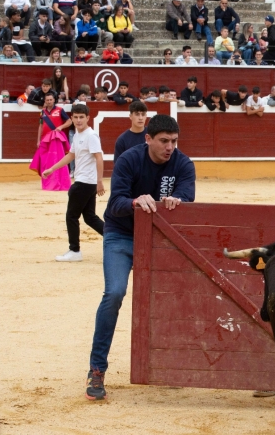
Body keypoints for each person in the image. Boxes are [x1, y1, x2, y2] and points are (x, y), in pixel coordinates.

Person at [84, 115, 196, 401]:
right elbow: (116, 203)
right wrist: (135, 201)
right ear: (148, 139)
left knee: (174, 295)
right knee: (115, 292)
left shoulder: (183, 163)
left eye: (174, 141)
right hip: (122, 235)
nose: (170, 147)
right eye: (163, 141)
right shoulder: (129, 159)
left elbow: (188, 196)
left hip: (159, 240)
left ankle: (171, 365)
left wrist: (178, 201)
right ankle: (97, 368)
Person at [41, 103, 104, 262]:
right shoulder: (77, 135)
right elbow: (71, 155)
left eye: (81, 117)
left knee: (71, 216)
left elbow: (99, 158)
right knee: (89, 217)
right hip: (85, 181)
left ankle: (74, 250)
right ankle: (118, 237)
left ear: (88, 118)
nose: (78, 120)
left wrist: (100, 181)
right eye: (75, 117)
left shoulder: (91, 136)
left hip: (84, 182)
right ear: (72, 118)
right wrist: (52, 169)